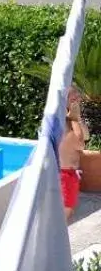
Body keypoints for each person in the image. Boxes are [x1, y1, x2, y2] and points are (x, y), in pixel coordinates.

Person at [59, 86, 88, 221]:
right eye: (73, 99)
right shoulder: (63, 122)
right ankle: (56, 240)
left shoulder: (70, 119)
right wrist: (75, 119)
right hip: (65, 175)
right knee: (65, 214)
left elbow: (86, 136)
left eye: (78, 98)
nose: (77, 102)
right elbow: (80, 143)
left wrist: (77, 118)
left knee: (68, 212)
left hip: (70, 174)